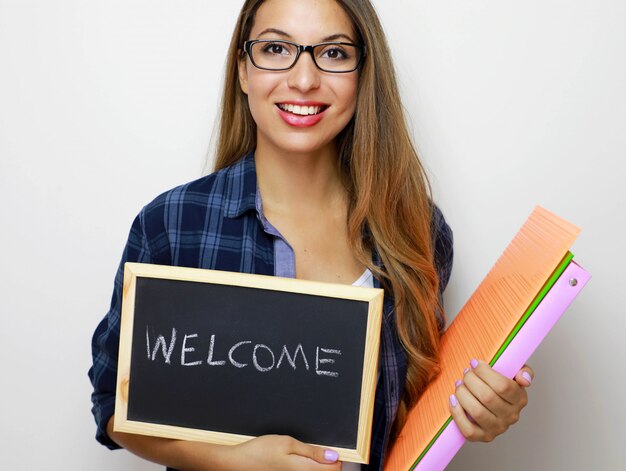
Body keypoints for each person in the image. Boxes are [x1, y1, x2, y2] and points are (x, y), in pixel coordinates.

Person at [88, 1, 534, 470]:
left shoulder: (416, 230)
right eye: (276, 48)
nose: (303, 79)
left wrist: (480, 408)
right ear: (243, 71)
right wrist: (231, 461)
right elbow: (113, 406)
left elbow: (416, 409)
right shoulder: (173, 224)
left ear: (364, 74)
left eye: (335, 54)